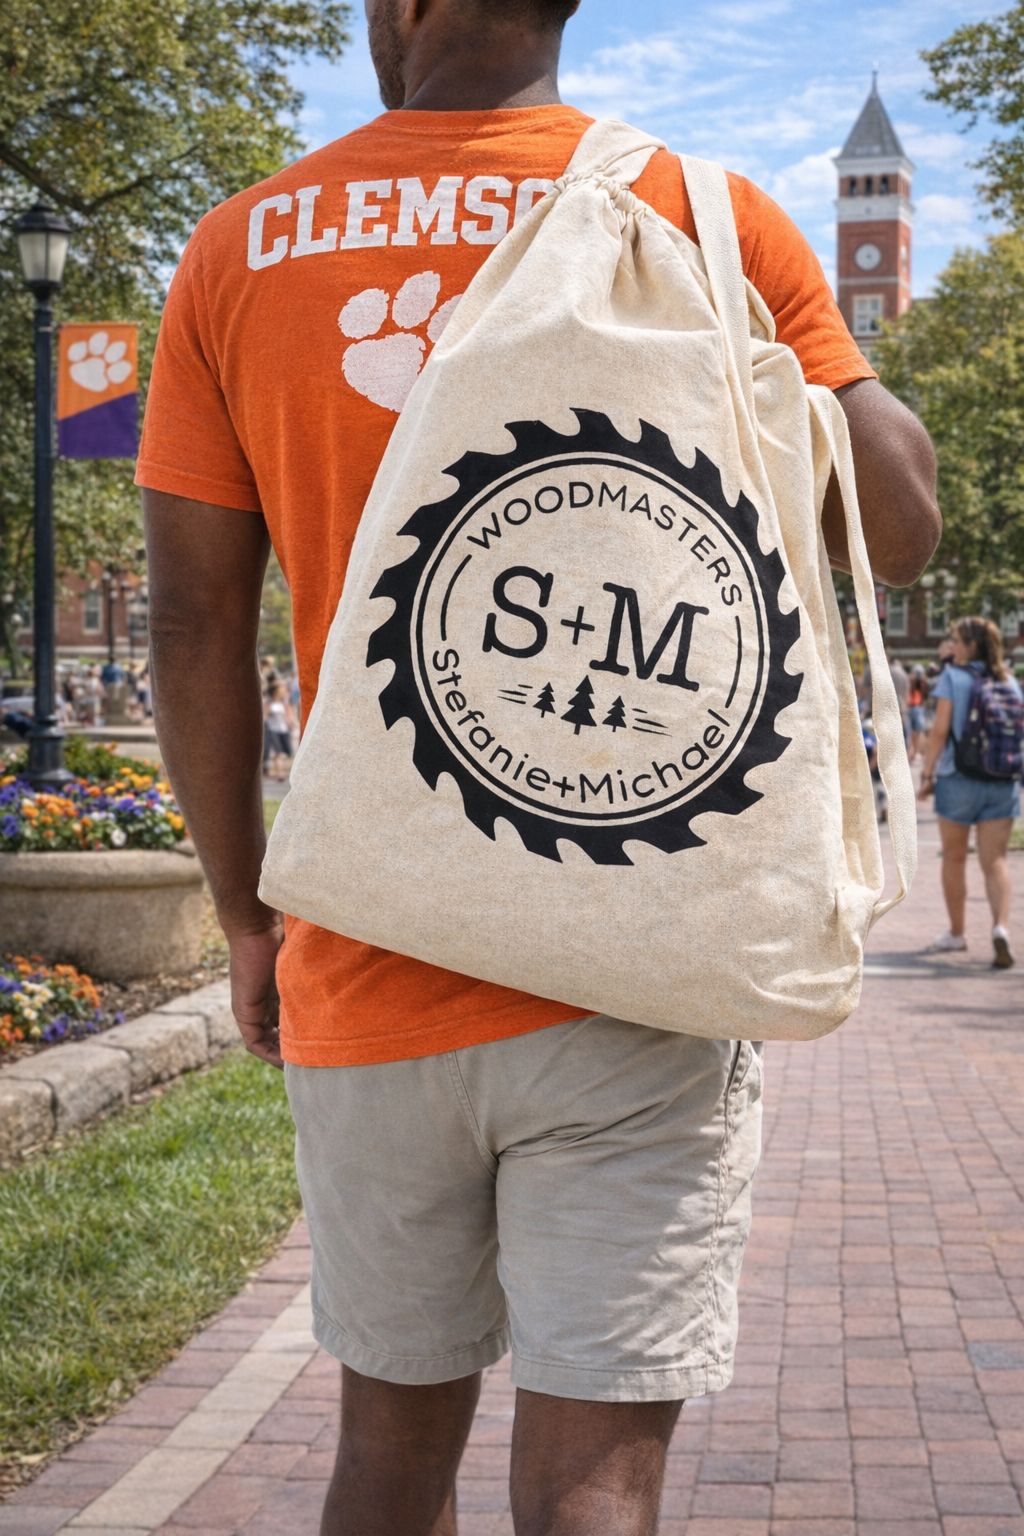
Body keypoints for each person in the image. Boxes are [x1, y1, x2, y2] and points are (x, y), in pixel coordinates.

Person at [138, 2, 941, 1530]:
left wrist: (250, 915)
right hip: (642, 952)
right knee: (592, 1473)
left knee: (388, 1446)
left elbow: (190, 623)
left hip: (371, 942)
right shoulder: (704, 216)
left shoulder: (243, 246)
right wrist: (821, 367)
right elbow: (897, 530)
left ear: (400, 9)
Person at [919, 616, 1021, 969]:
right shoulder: (1009, 680)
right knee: (995, 862)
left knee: (954, 857)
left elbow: (940, 732)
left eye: (958, 641)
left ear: (972, 645)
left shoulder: (953, 677)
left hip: (958, 780)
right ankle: (1002, 928)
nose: (953, 646)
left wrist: (928, 772)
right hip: (1002, 782)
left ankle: (958, 932)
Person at [263, 682, 294, 782]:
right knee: (278, 752)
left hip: (283, 730)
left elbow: (288, 715)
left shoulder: (284, 703)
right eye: (282, 689)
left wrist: (290, 723)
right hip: (273, 730)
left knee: (288, 752)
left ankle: (282, 772)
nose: (284, 691)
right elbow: (265, 717)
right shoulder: (269, 703)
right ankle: (280, 774)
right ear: (276, 691)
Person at [907, 665, 927, 762]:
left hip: (917, 708)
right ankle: (912, 752)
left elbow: (924, 694)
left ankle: (915, 752)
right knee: (912, 733)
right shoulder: (910, 681)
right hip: (912, 707)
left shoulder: (922, 683)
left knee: (917, 732)